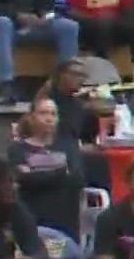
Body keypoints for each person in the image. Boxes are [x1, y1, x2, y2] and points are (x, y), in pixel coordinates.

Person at [7, 96, 83, 236]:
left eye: (53, 114)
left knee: (59, 255)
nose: (49, 118)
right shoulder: (18, 149)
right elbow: (24, 179)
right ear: (31, 117)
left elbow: (76, 178)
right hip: (33, 219)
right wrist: (60, 172)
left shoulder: (68, 146)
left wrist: (37, 173)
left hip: (64, 221)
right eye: (43, 113)